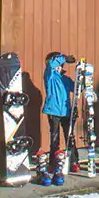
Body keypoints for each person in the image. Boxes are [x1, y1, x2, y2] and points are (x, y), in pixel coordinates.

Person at [39, 51, 76, 186]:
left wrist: (82, 80)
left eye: (61, 65)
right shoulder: (50, 76)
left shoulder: (64, 79)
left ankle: (72, 161)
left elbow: (76, 88)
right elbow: (51, 65)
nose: (59, 67)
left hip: (66, 111)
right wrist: (63, 58)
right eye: (57, 64)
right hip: (53, 111)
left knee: (69, 136)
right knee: (55, 137)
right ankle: (54, 162)